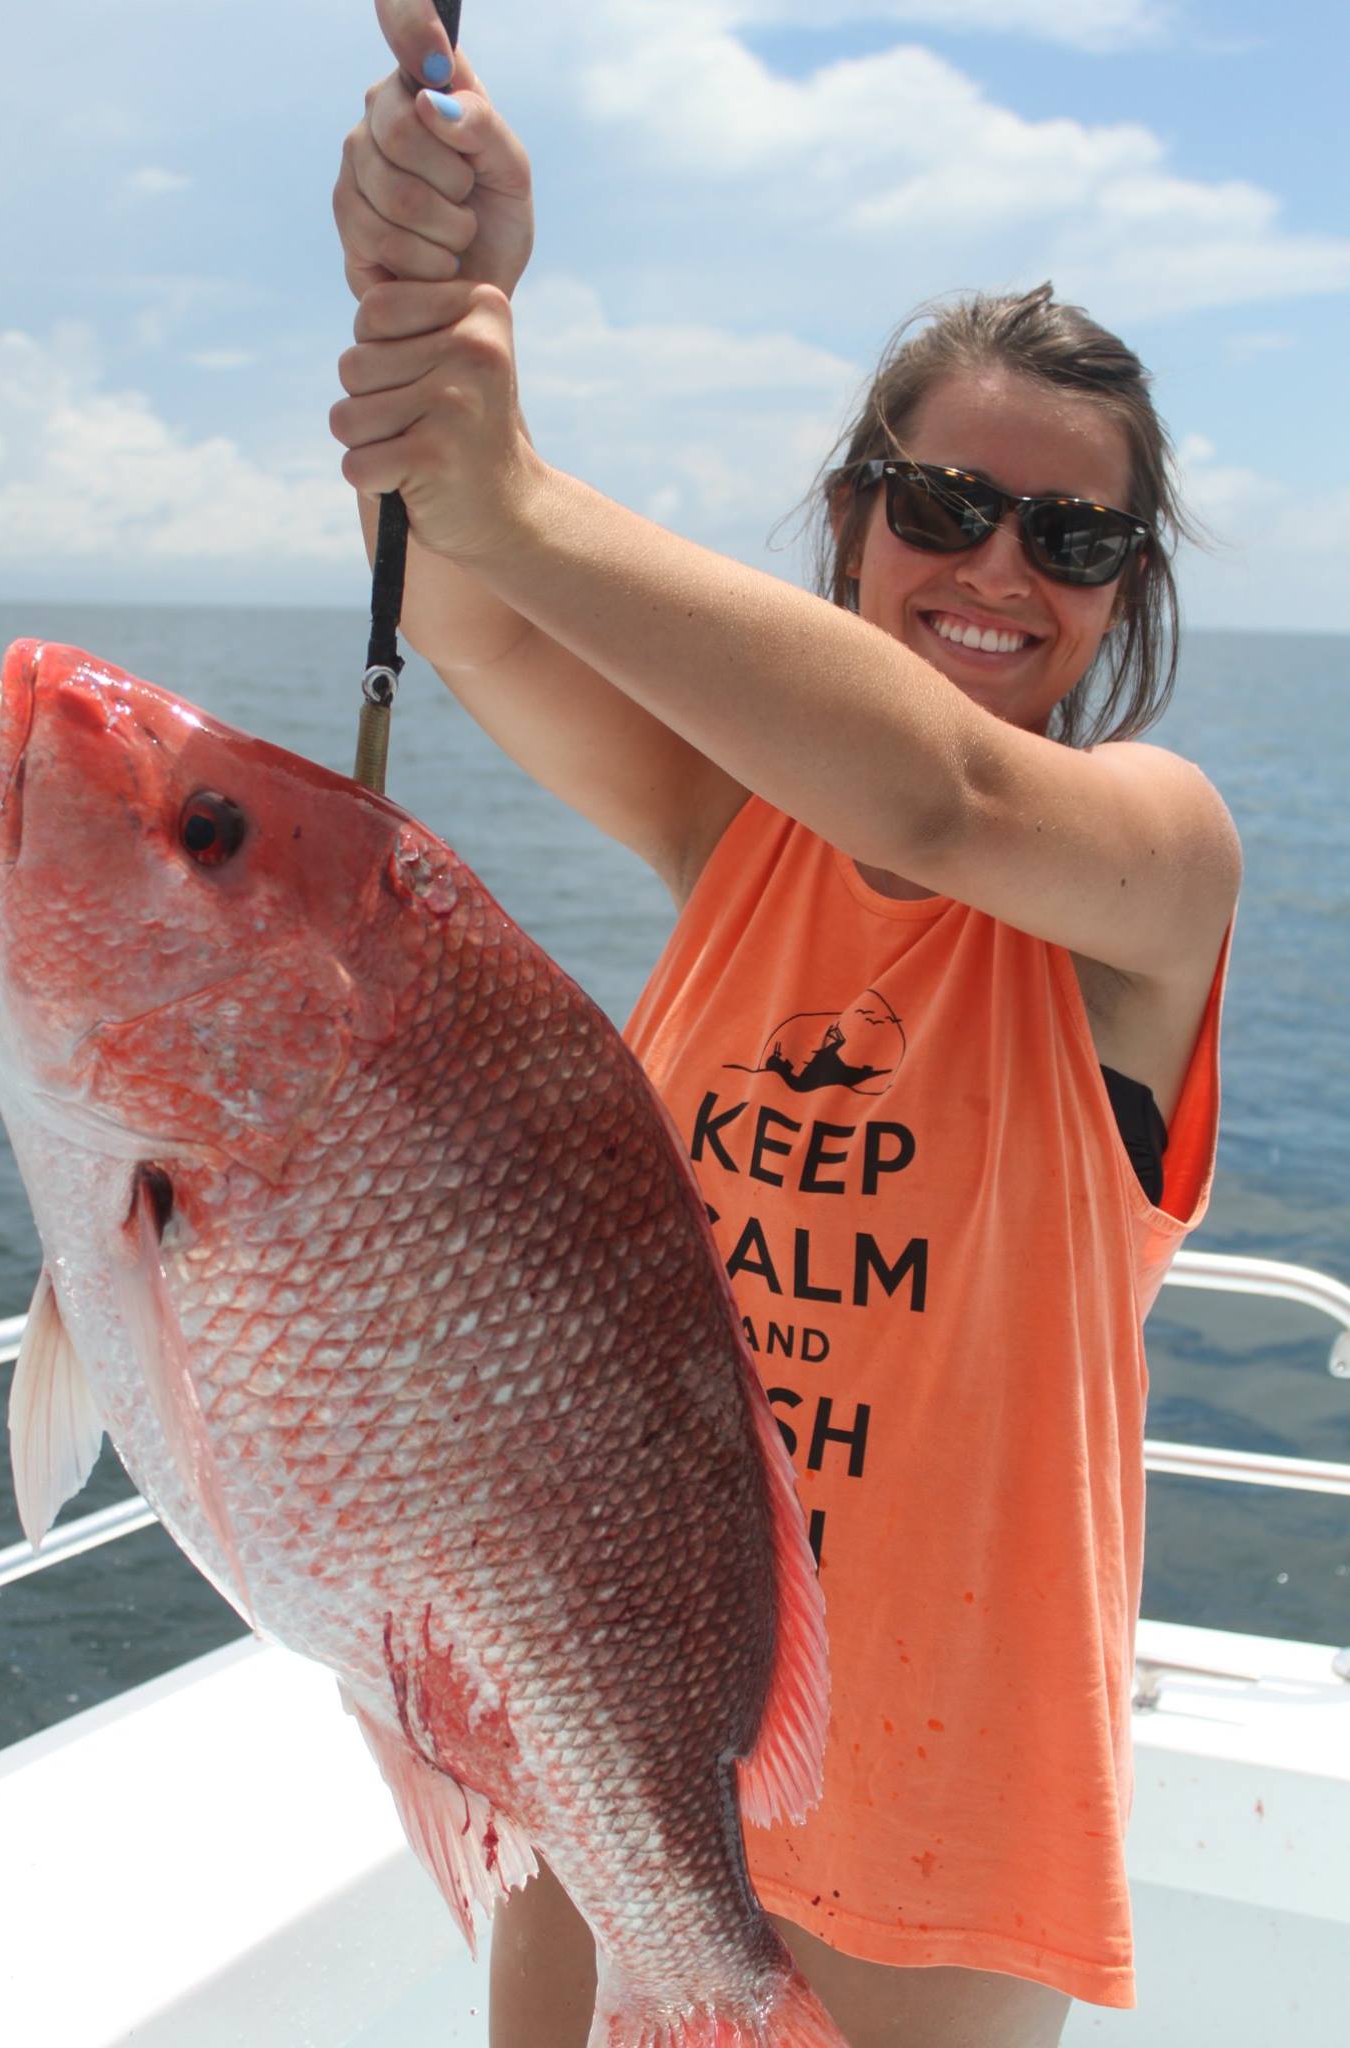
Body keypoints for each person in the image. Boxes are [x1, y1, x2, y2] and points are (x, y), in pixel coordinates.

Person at [329, 12, 1242, 2047]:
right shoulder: (732, 822)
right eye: (940, 501)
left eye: (1070, 537)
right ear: (852, 515)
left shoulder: (1149, 870)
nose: (995, 565)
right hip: (626, 1705)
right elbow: (465, 602)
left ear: (1119, 594)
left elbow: (943, 796)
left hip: (931, 1810)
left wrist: (512, 483)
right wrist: (447, 320)